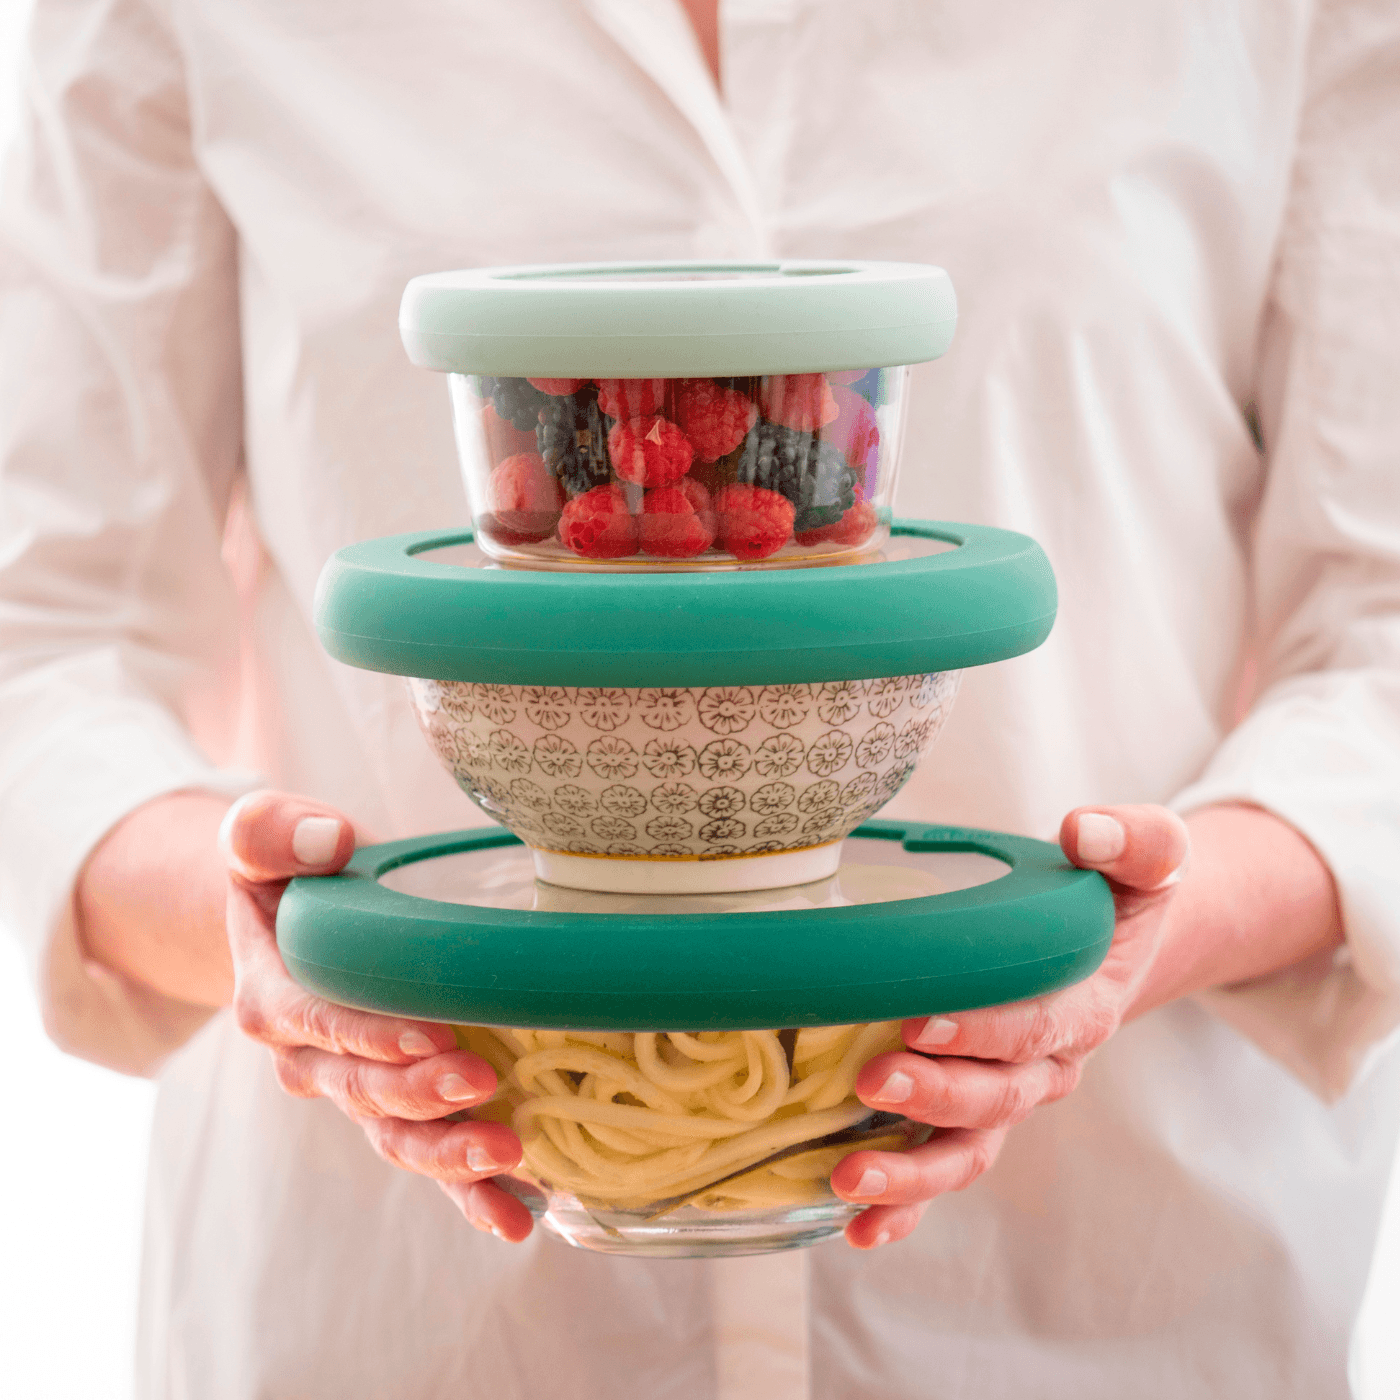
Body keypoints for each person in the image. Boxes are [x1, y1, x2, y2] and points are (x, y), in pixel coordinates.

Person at [2, 1, 1398, 1395]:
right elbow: (46, 638)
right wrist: (278, 942)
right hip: (409, 1325)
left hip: (1112, 1311)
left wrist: (1136, 937)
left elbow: (1381, 628)